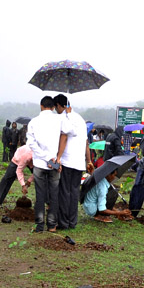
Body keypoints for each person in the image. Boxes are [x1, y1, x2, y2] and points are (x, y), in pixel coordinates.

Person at [55, 94, 93, 230]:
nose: (56, 111)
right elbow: (86, 142)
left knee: (64, 192)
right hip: (79, 162)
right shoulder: (81, 119)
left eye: (57, 108)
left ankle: (64, 223)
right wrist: (88, 160)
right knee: (74, 191)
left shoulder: (65, 117)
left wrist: (58, 157)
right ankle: (72, 222)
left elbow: (64, 137)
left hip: (67, 160)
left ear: (60, 106)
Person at [26, 96, 61, 233]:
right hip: (55, 163)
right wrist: (54, 158)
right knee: (54, 194)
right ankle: (52, 225)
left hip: (40, 164)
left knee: (40, 194)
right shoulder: (59, 120)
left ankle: (39, 225)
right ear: (53, 107)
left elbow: (31, 143)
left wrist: (45, 158)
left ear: (41, 106)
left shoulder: (34, 122)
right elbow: (65, 137)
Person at [0, 144, 34, 209]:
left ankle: (46, 204)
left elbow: (38, 172)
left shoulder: (42, 157)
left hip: (31, 158)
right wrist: (23, 185)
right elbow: (19, 171)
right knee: (7, 178)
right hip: (18, 158)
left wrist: (29, 181)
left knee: (42, 177)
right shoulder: (26, 156)